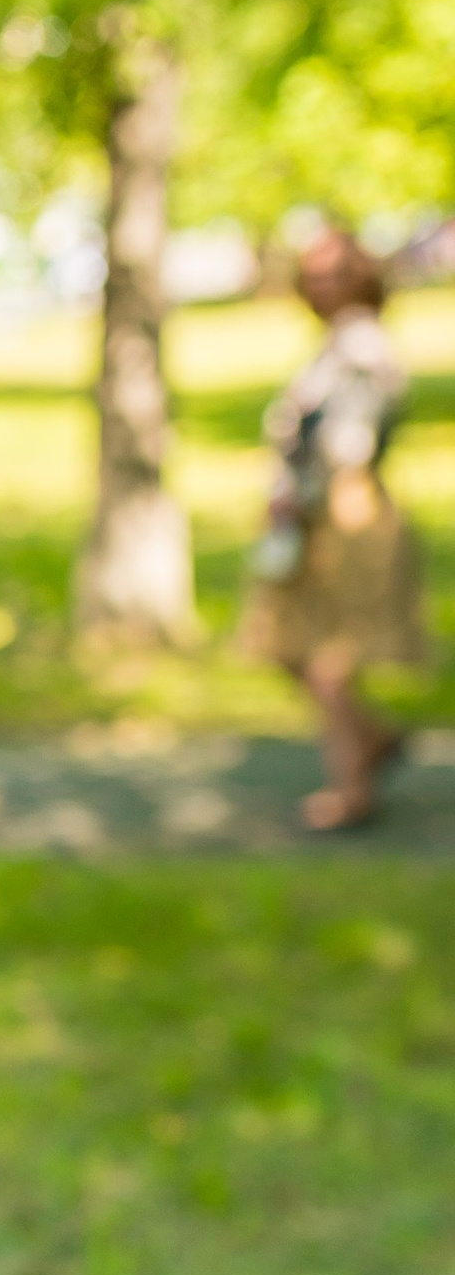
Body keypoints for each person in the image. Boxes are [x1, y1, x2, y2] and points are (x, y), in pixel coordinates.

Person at [241, 229, 429, 832]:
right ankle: (370, 741)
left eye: (335, 274)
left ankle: (352, 787)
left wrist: (301, 496)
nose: (322, 286)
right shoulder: (334, 345)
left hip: (343, 512)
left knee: (330, 656)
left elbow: (347, 443)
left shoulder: (362, 347)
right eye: (314, 274)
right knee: (286, 642)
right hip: (314, 509)